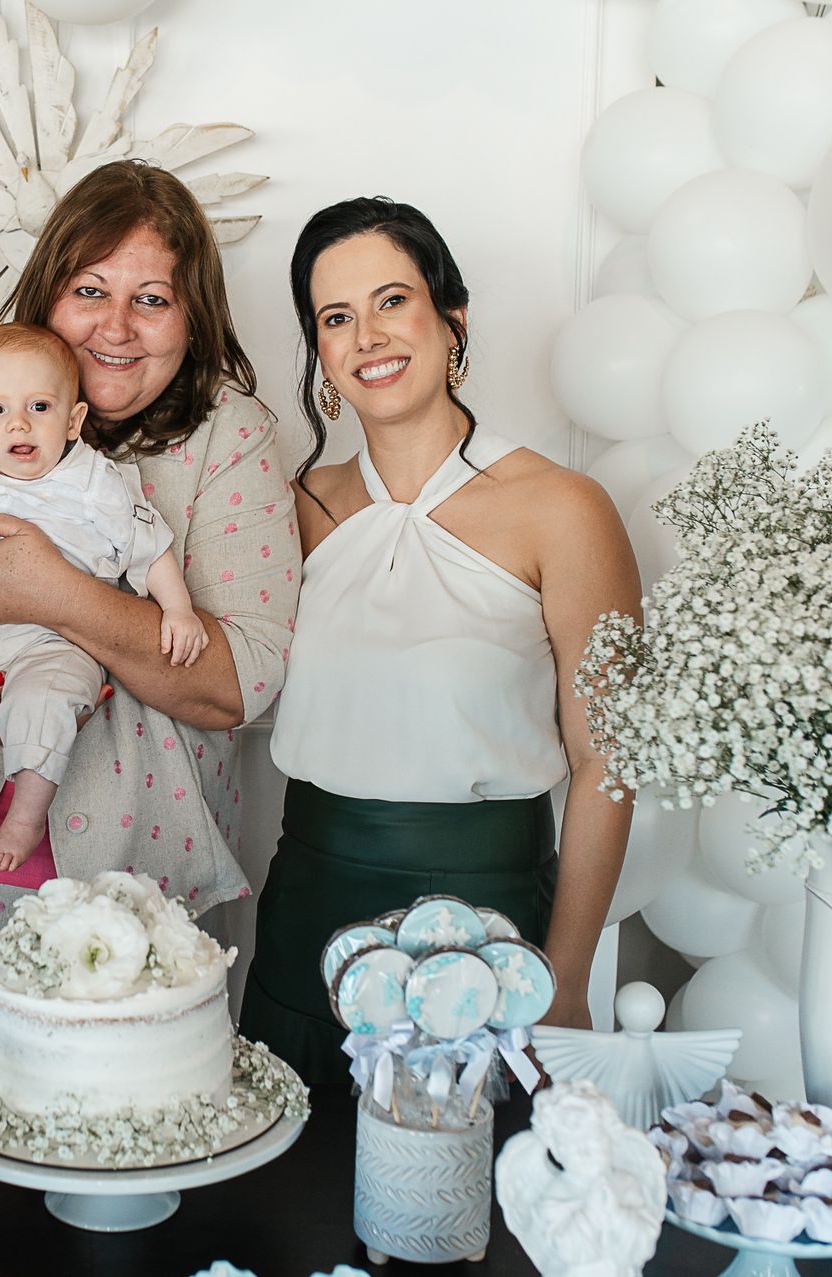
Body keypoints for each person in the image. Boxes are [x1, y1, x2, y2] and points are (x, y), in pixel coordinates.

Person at [0, 160, 299, 1078]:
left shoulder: (228, 431)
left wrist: (55, 594)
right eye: (90, 290)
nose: (116, 327)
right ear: (48, 288)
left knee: (122, 1101)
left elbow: (240, 680)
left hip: (140, 855)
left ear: (193, 315)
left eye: (152, 299)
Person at [238, 197, 640, 1082]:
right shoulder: (290, 509)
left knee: (466, 1163)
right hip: (308, 910)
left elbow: (607, 760)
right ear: (320, 353)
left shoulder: (563, 509)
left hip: (488, 923)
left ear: (452, 319)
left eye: (393, 301)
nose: (368, 337)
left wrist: (566, 978)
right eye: (336, 318)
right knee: (285, 1157)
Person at [0, 322, 207, 874]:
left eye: (39, 407)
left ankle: (25, 820)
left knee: (41, 705)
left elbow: (148, 545)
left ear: (73, 421)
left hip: (58, 645)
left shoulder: (93, 481)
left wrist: (177, 609)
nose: (19, 424)